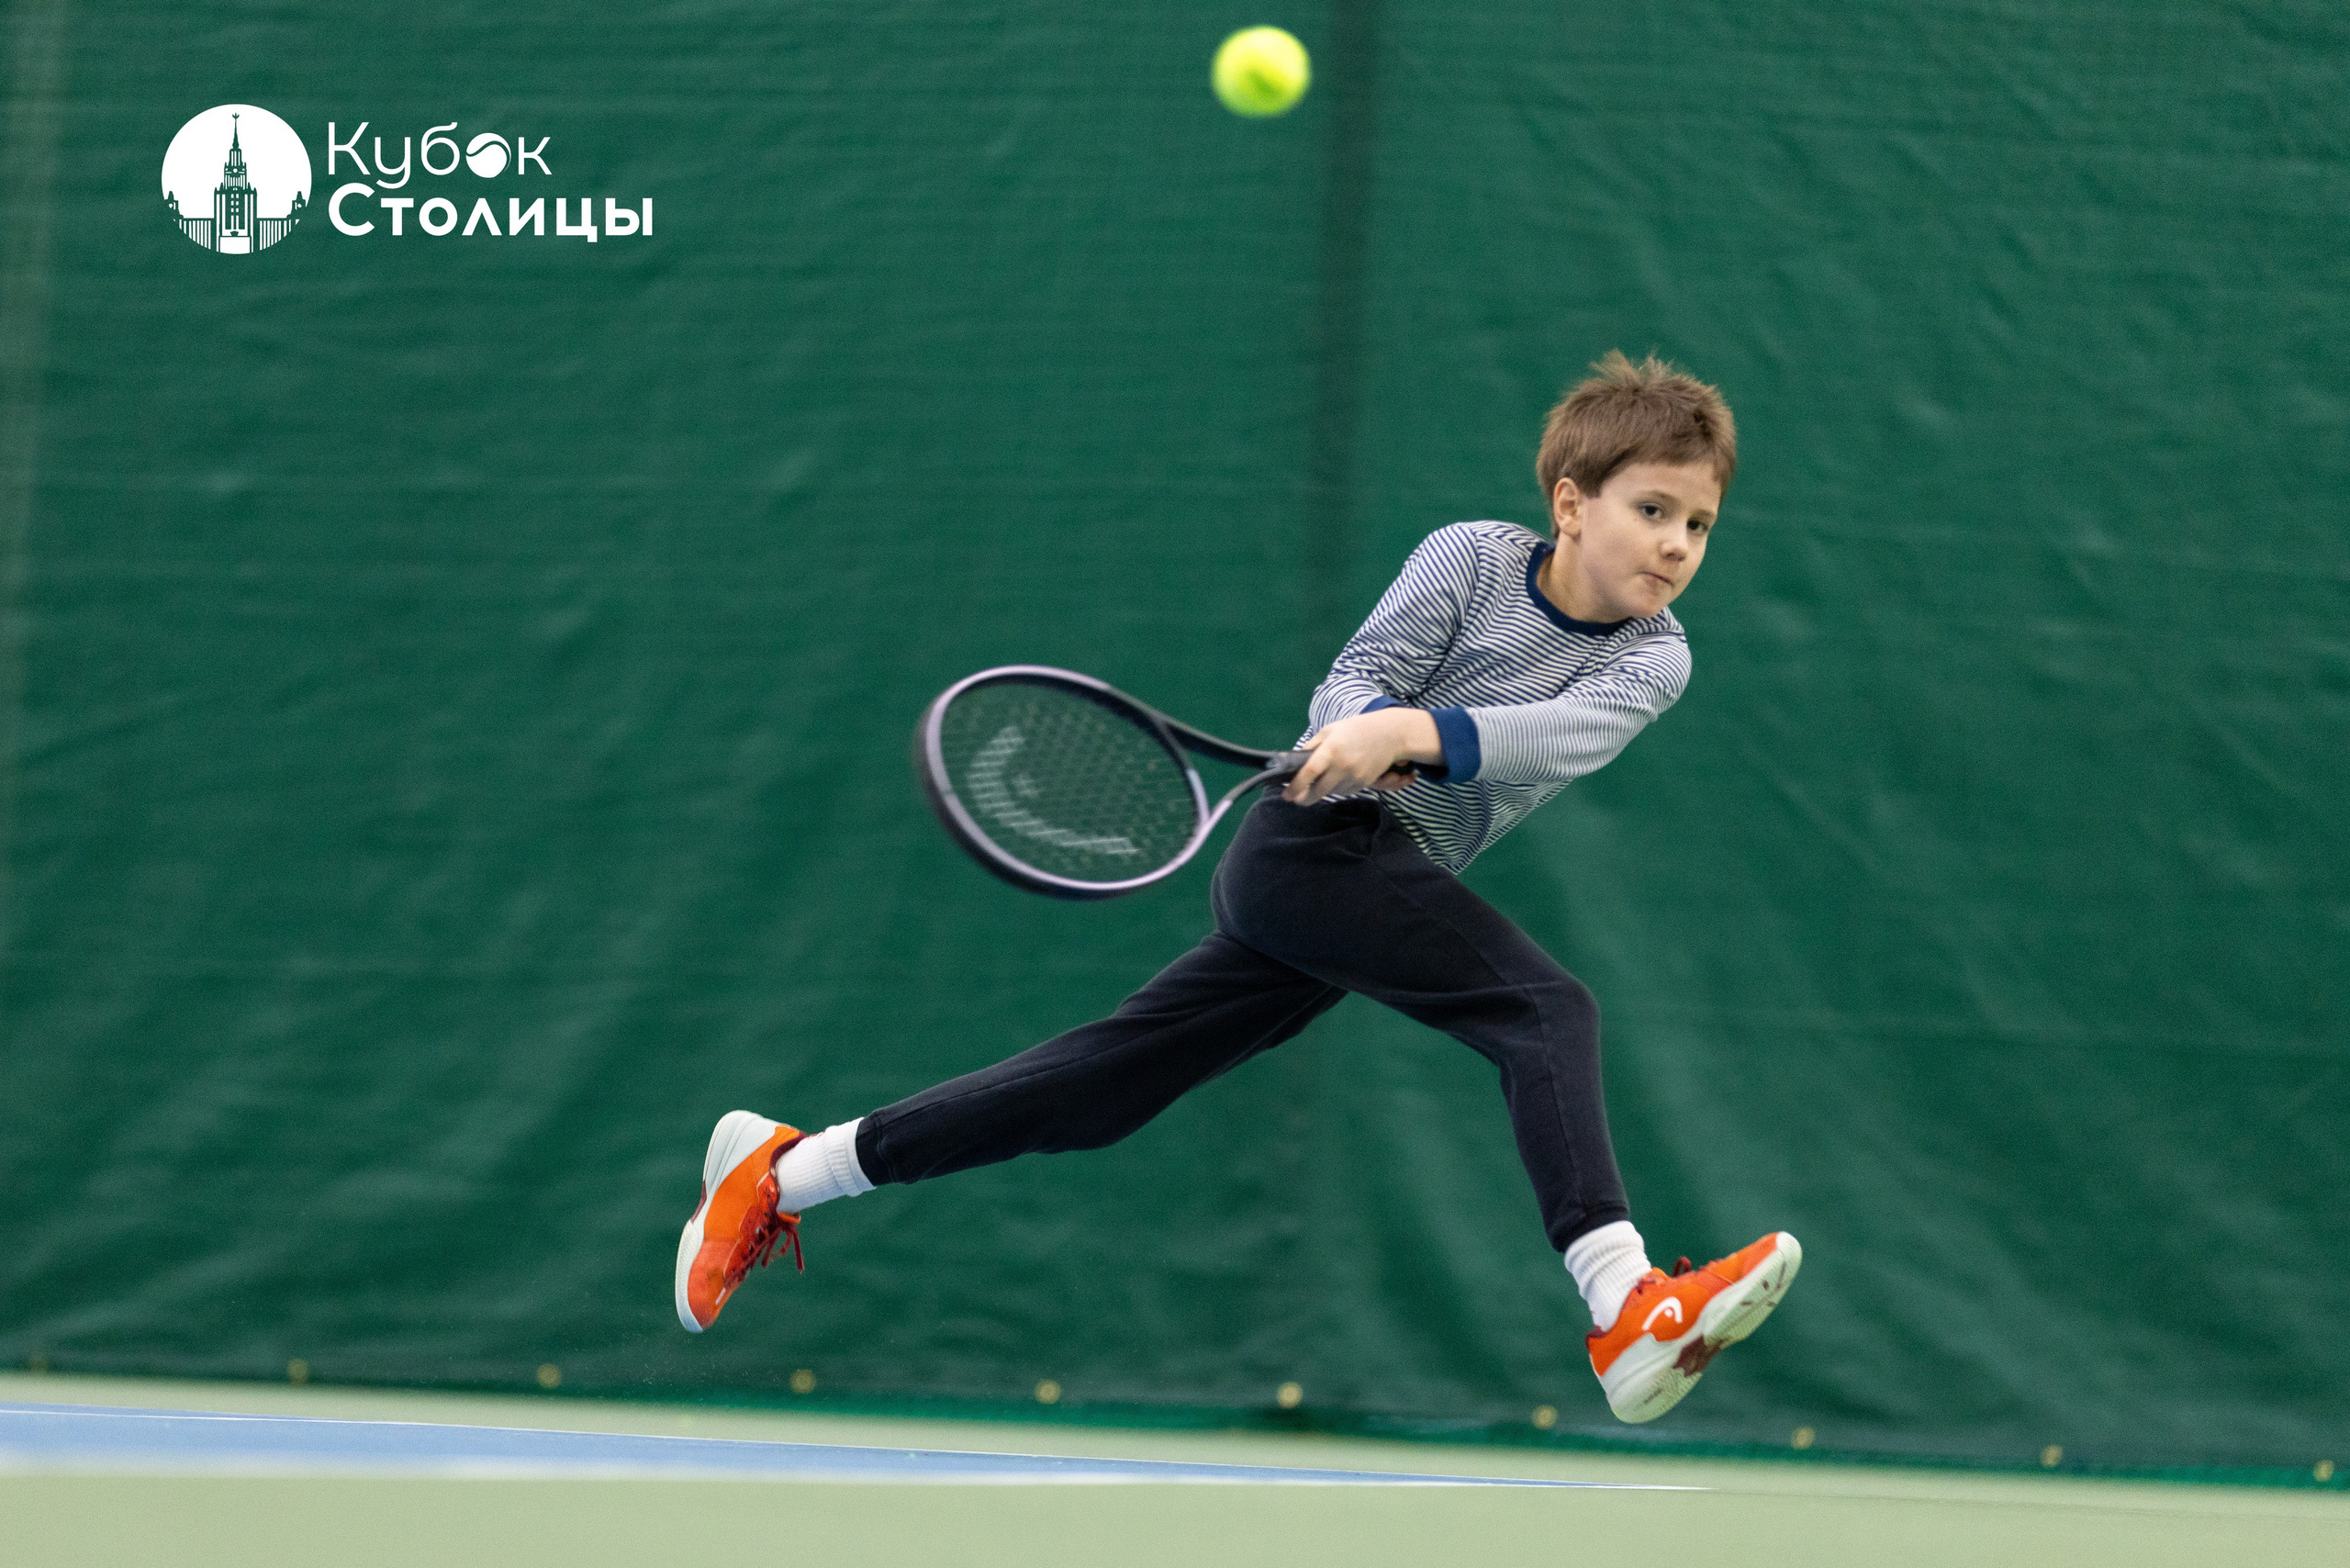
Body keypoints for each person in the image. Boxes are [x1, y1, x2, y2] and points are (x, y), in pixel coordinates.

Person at [674, 351, 1800, 1424]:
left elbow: (1545, 736)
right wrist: (1347, 728)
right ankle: (1622, 1304)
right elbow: (1363, 670)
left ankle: (787, 1171)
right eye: (1651, 509)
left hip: (1371, 892)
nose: (1676, 544)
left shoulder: (1654, 656)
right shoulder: (1466, 557)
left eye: (1698, 523)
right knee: (1546, 1010)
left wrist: (1410, 732)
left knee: (1100, 1089)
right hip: (1314, 850)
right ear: (1570, 503)